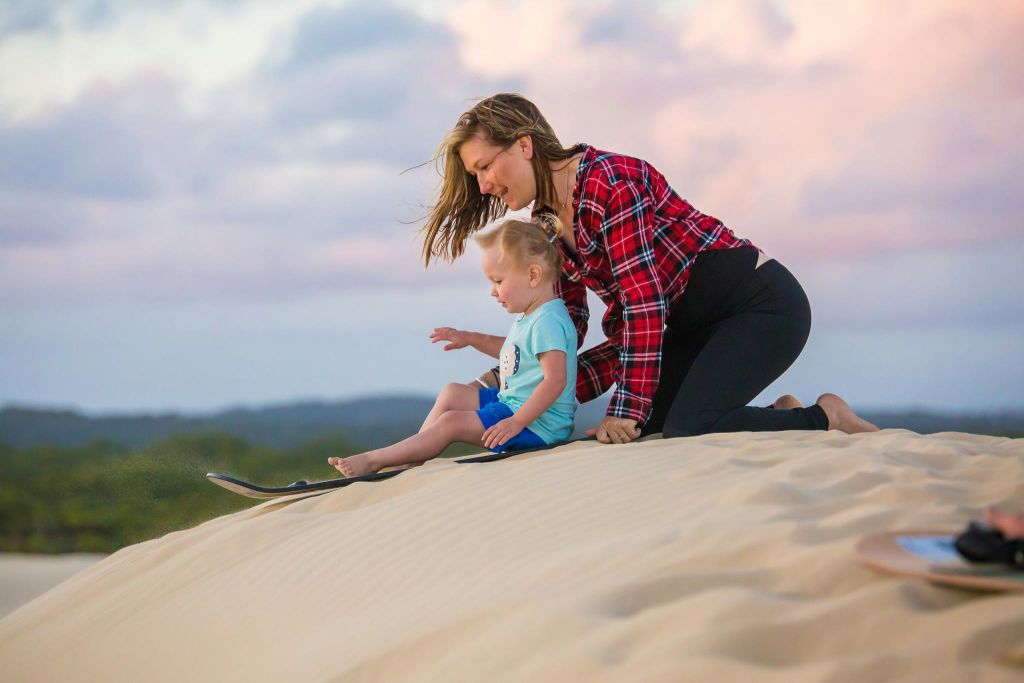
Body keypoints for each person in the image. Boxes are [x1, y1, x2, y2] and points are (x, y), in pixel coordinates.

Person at [419, 93, 879, 445]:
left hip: (760, 306)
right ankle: (782, 414)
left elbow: (643, 303)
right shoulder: (545, 221)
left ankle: (825, 418)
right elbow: (563, 326)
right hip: (684, 329)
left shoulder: (611, 181)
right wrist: (507, 377)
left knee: (687, 427)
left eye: (484, 167)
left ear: (523, 146)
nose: (482, 186)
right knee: (650, 433)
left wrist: (628, 407)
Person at [329, 218, 577, 477]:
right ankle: (413, 454)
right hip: (515, 406)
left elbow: (555, 380)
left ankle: (374, 460)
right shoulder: (534, 314)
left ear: (533, 275)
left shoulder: (547, 321)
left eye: (498, 281)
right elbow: (515, 353)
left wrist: (516, 422)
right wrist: (470, 337)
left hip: (537, 427)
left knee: (450, 423)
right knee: (452, 393)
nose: (493, 292)